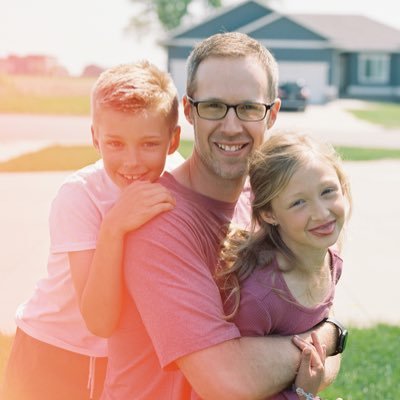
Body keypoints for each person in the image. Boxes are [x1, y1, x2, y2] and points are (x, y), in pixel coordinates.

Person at [101, 32, 346, 400]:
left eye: (248, 108)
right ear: (188, 110)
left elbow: (313, 310)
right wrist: (330, 337)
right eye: (214, 106)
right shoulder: (159, 221)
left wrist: (327, 338)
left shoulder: (269, 203)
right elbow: (228, 382)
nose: (231, 126)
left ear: (272, 113)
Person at [1, 61, 184, 400]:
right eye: (115, 143)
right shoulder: (80, 195)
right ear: (95, 139)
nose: (132, 161)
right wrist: (113, 226)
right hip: (55, 350)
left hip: (120, 358)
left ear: (173, 140)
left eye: (148, 144)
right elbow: (99, 319)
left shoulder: (177, 183)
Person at [217, 131, 352, 399]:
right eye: (298, 202)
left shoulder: (331, 261)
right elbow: (237, 385)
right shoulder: (260, 297)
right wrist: (302, 393)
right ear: (269, 214)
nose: (321, 212)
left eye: (328, 191)